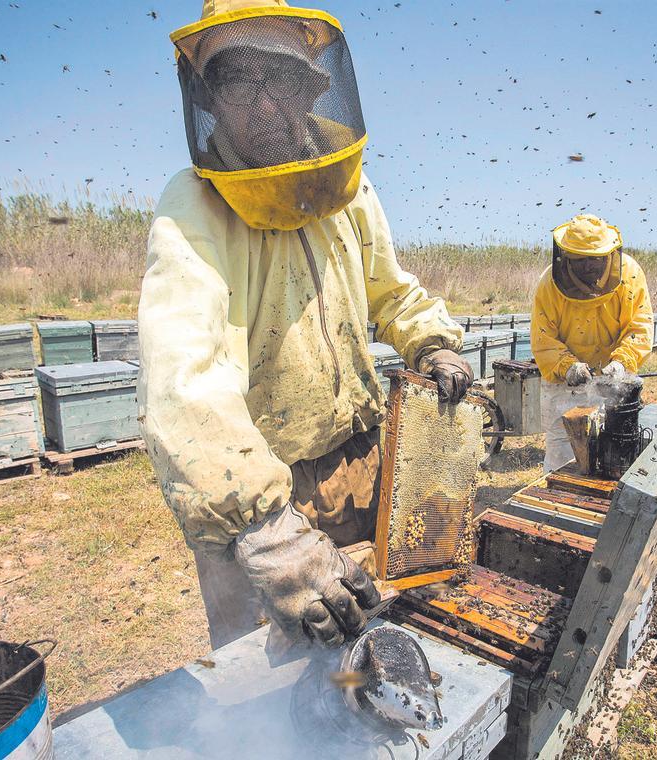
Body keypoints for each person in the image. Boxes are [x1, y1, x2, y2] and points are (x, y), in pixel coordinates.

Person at [138, 0, 474, 650]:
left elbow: (391, 289)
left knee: (375, 642)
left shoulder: (349, 190)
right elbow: (183, 370)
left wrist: (432, 342)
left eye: (282, 79)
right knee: (267, 688)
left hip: (359, 457)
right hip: (263, 499)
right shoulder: (193, 205)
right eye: (238, 81)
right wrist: (266, 531)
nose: (264, 106)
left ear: (314, 87)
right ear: (208, 97)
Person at [531, 214, 654, 473]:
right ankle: (557, 505)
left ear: (609, 254)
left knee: (613, 454)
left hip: (613, 381)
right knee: (563, 458)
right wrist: (567, 367)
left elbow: (639, 326)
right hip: (563, 383)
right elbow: (544, 338)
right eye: (581, 259)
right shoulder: (549, 284)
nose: (589, 266)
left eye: (595, 258)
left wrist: (622, 362)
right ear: (566, 257)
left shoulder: (629, 275)